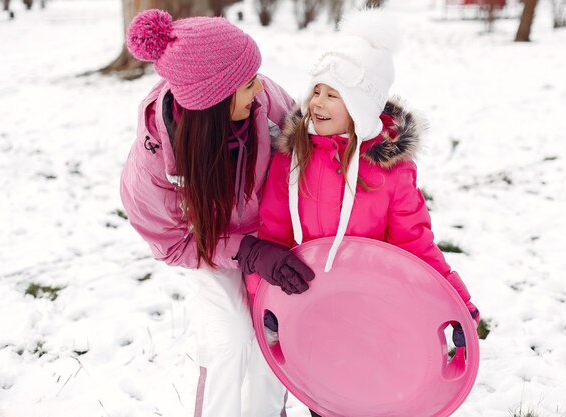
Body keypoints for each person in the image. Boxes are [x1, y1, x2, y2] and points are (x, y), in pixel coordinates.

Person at [248, 9, 480, 417]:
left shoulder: (390, 171)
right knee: (326, 398)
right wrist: (262, 300)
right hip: (314, 309)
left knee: (370, 395)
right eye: (316, 90)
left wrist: (456, 303)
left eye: (332, 94)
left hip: (377, 312)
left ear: (359, 105)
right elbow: (273, 232)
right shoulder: (292, 158)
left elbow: (416, 242)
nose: (316, 102)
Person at [120, 9, 315, 417]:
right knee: (229, 337)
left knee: (272, 330)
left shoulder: (266, 103)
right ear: (214, 101)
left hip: (271, 238)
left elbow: (309, 154)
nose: (259, 87)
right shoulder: (156, 164)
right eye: (247, 83)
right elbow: (173, 245)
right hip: (210, 245)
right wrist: (245, 250)